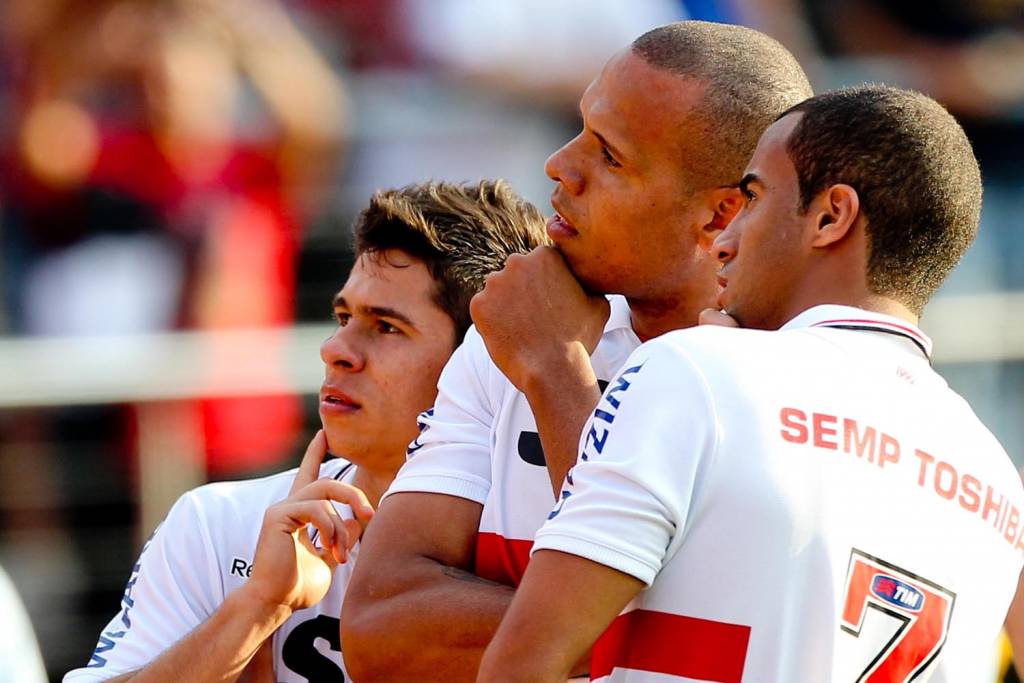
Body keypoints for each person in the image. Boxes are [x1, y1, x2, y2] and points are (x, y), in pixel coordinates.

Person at [478, 85, 1024, 682]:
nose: (725, 238)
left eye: (754, 197)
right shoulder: (996, 476)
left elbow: (523, 663)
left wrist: (556, 366)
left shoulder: (696, 369)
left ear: (830, 216)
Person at [341, 20, 813, 682]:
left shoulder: (804, 383)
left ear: (720, 217)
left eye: (610, 155)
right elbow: (377, 632)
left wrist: (556, 371)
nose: (560, 164)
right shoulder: (511, 329)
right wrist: (620, 624)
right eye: (580, 126)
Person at [63, 180, 549, 682]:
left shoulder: (555, 545)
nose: (336, 348)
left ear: (485, 364)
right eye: (343, 316)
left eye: (386, 327)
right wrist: (256, 609)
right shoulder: (219, 524)